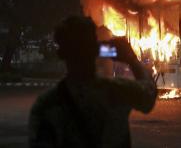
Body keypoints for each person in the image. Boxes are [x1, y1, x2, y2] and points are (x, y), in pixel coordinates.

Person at [28, 16, 157, 148]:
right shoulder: (116, 91)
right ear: (97, 49)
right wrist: (131, 59)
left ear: (61, 53)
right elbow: (149, 93)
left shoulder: (47, 104)